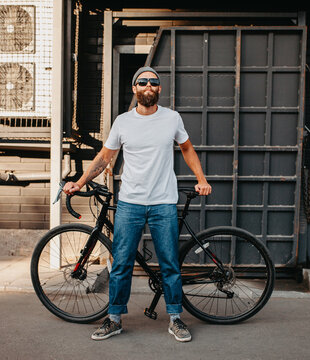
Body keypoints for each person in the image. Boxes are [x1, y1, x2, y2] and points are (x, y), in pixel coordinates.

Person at [63, 66, 211, 342]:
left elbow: (187, 148)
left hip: (163, 203)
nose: (148, 86)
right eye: (142, 81)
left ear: (159, 89)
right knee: (121, 265)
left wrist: (201, 179)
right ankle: (114, 319)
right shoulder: (123, 122)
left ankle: (176, 319)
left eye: (153, 82)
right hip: (130, 203)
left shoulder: (172, 118)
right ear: (134, 88)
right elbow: (104, 158)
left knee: (169, 264)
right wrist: (80, 182)